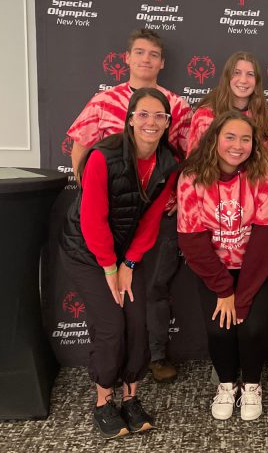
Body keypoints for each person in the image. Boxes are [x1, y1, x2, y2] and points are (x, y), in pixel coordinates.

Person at [67, 28, 192, 384]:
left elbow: (186, 156)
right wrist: (90, 190)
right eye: (139, 52)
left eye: (153, 54)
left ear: (162, 63)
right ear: (127, 58)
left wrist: (176, 198)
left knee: (151, 287)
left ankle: (155, 354)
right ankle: (110, 365)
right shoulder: (103, 100)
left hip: (154, 214)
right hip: (108, 216)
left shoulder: (178, 105)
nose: (146, 59)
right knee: (111, 292)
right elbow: (80, 145)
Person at [59, 87, 180, 439]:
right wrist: (110, 268)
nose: (151, 122)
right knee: (111, 325)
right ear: (129, 120)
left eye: (159, 116)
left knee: (137, 322)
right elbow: (93, 219)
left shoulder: (168, 162)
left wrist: (128, 262)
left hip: (127, 253)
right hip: (86, 252)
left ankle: (131, 399)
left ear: (168, 122)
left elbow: (152, 219)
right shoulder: (103, 155)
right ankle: (102, 402)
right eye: (143, 114)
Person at [177, 110, 268, 421]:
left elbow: (266, 240)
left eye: (246, 139)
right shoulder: (191, 176)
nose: (238, 145)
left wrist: (242, 298)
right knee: (219, 329)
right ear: (214, 139)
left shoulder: (265, 173)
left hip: (261, 263)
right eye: (230, 137)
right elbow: (192, 240)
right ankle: (226, 384)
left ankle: (251, 385)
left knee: (251, 327)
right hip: (214, 267)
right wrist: (225, 290)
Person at [188, 51, 268, 159]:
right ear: (227, 77)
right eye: (237, 73)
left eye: (250, 74)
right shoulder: (205, 115)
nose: (243, 80)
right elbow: (193, 160)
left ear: (257, 81)